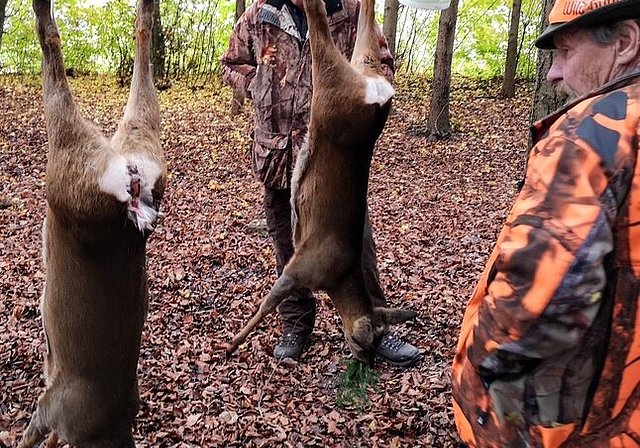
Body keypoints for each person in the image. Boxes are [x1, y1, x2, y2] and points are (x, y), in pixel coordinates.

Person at [451, 0, 640, 446]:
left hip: (576, 423)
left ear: (626, 43)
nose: (554, 74)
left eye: (566, 51)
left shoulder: (594, 131)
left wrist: (477, 363)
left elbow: (538, 301)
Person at [220, 0, 421, 366]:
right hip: (277, 150)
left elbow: (383, 64)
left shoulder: (352, 11)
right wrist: (259, 86)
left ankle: (375, 326)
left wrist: (363, 97)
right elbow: (231, 64)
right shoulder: (261, 14)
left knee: (356, 241)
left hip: (332, 161)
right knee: (287, 245)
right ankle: (296, 326)